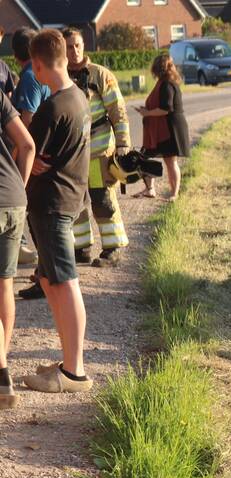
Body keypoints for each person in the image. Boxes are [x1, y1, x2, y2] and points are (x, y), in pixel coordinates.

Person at [21, 29, 92, 394]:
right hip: (67, 199)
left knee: (65, 283)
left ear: (36, 64)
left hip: (52, 205)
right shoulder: (77, 97)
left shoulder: (51, 107)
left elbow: (32, 156)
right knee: (50, 280)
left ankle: (74, 373)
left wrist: (29, 161)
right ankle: (67, 361)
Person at [64, 28, 130, 266]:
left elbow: (118, 112)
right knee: (76, 201)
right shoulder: (60, 75)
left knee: (102, 198)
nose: (74, 51)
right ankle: (82, 248)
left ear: (84, 46)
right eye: (69, 46)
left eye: (77, 45)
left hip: (99, 151)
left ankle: (113, 248)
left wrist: (123, 145)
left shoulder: (100, 75)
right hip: (74, 154)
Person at [0, 89, 37, 407]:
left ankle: (1, 372)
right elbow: (27, 145)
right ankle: (2, 362)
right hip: (13, 199)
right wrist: (18, 188)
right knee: (4, 284)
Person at [12, 27, 50, 299]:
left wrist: (19, 157)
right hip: (45, 153)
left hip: (32, 157)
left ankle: (43, 276)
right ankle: (44, 273)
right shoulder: (43, 74)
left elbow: (27, 119)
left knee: (37, 219)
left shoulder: (27, 78)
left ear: (15, 55)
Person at [136, 54, 189, 200]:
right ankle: (150, 189)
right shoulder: (165, 82)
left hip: (169, 129)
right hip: (161, 128)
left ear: (157, 69)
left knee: (171, 161)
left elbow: (166, 108)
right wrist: (146, 111)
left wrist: (147, 113)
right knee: (144, 158)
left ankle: (174, 194)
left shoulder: (167, 85)